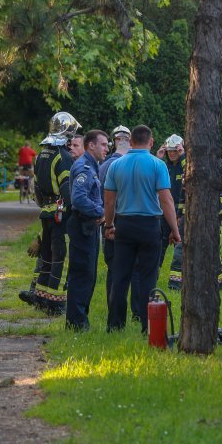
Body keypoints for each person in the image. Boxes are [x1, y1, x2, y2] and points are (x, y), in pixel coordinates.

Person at [103, 125, 180, 333]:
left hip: (124, 224)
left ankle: (115, 324)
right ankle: (148, 325)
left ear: (130, 141)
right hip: (149, 225)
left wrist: (109, 225)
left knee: (120, 276)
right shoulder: (158, 165)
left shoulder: (116, 166)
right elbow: (166, 200)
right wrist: (175, 229)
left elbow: (109, 202)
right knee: (148, 276)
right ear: (151, 142)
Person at [18, 112, 81, 315]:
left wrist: (46, 206)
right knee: (61, 259)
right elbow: (67, 189)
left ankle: (41, 298)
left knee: (47, 257)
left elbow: (36, 190)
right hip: (61, 215)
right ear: (67, 132)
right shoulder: (62, 156)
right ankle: (55, 304)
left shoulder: (42, 154)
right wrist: (72, 211)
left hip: (46, 213)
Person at [167, 150, 222, 291]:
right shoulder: (191, 163)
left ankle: (217, 284)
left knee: (212, 250)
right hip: (189, 216)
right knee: (180, 249)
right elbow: (184, 191)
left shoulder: (219, 164)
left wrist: (218, 204)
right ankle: (175, 284)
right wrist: (179, 214)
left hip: (211, 216)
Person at [65, 130, 109, 330]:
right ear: (91, 145)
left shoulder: (93, 166)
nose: (107, 149)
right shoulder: (84, 167)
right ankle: (77, 322)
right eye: (103, 145)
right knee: (82, 274)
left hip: (89, 226)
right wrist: (100, 211)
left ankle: (81, 318)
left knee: (88, 274)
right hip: (83, 225)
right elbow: (79, 199)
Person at [97, 125, 140, 316]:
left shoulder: (104, 165)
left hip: (109, 224)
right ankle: (138, 313)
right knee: (134, 270)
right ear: (129, 141)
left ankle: (114, 311)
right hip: (130, 223)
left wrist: (107, 223)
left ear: (114, 142)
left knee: (114, 270)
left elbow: (103, 199)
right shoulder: (132, 164)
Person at [158, 134, 186, 268]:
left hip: (180, 211)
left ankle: (177, 280)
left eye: (175, 151)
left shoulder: (185, 165)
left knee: (180, 245)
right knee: (159, 243)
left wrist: (183, 156)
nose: (172, 154)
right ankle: (155, 271)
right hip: (164, 210)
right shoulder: (164, 167)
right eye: (170, 151)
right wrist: (158, 158)